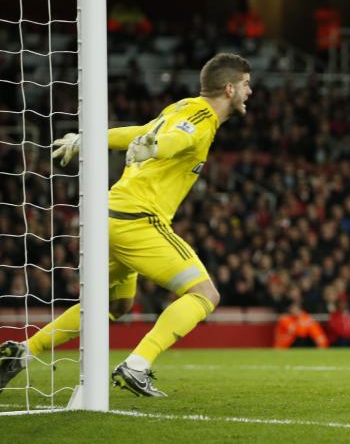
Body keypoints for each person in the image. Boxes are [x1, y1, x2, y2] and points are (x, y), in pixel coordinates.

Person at [0, 54, 252, 397]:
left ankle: (26, 351)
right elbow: (178, 139)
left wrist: (89, 139)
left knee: (115, 305)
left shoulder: (182, 106)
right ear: (229, 88)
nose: (249, 92)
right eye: (246, 85)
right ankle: (137, 365)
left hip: (108, 218)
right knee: (204, 294)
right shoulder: (203, 118)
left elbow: (142, 133)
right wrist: (158, 147)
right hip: (139, 221)